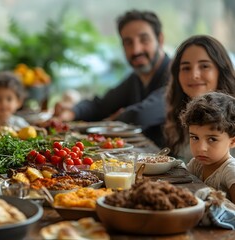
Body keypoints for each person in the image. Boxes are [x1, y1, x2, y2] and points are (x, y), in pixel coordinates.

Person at [54, 10, 171, 147]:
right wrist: (71, 112)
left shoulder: (178, 75)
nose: (136, 50)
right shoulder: (135, 79)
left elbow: (140, 116)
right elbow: (100, 105)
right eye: (128, 43)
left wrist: (116, 118)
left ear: (160, 39)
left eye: (144, 40)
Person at [164, 35, 235, 161]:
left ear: (221, 71)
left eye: (204, 66)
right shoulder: (177, 110)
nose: (194, 75)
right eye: (186, 68)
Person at [180, 92, 235, 203]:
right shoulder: (196, 164)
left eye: (212, 139)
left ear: (232, 141)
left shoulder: (230, 172)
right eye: (195, 137)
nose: (201, 148)